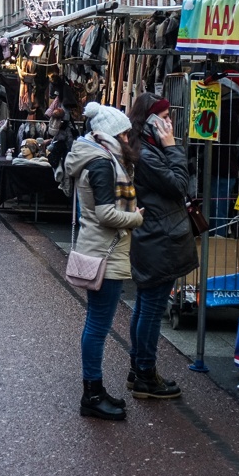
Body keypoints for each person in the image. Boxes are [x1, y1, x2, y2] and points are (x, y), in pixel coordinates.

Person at [64, 102, 144, 422]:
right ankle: (92, 395)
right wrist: (136, 218)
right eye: (125, 134)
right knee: (98, 326)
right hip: (104, 255)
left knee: (96, 325)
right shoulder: (102, 164)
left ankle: (95, 390)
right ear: (113, 134)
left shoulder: (97, 158)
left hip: (99, 250)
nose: (128, 140)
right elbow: (105, 214)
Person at [126, 93, 196, 400]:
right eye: (164, 117)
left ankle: (138, 369)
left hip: (154, 234)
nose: (169, 123)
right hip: (160, 237)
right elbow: (179, 185)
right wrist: (173, 148)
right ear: (150, 120)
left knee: (145, 306)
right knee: (151, 309)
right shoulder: (149, 153)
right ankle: (145, 375)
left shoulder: (142, 148)